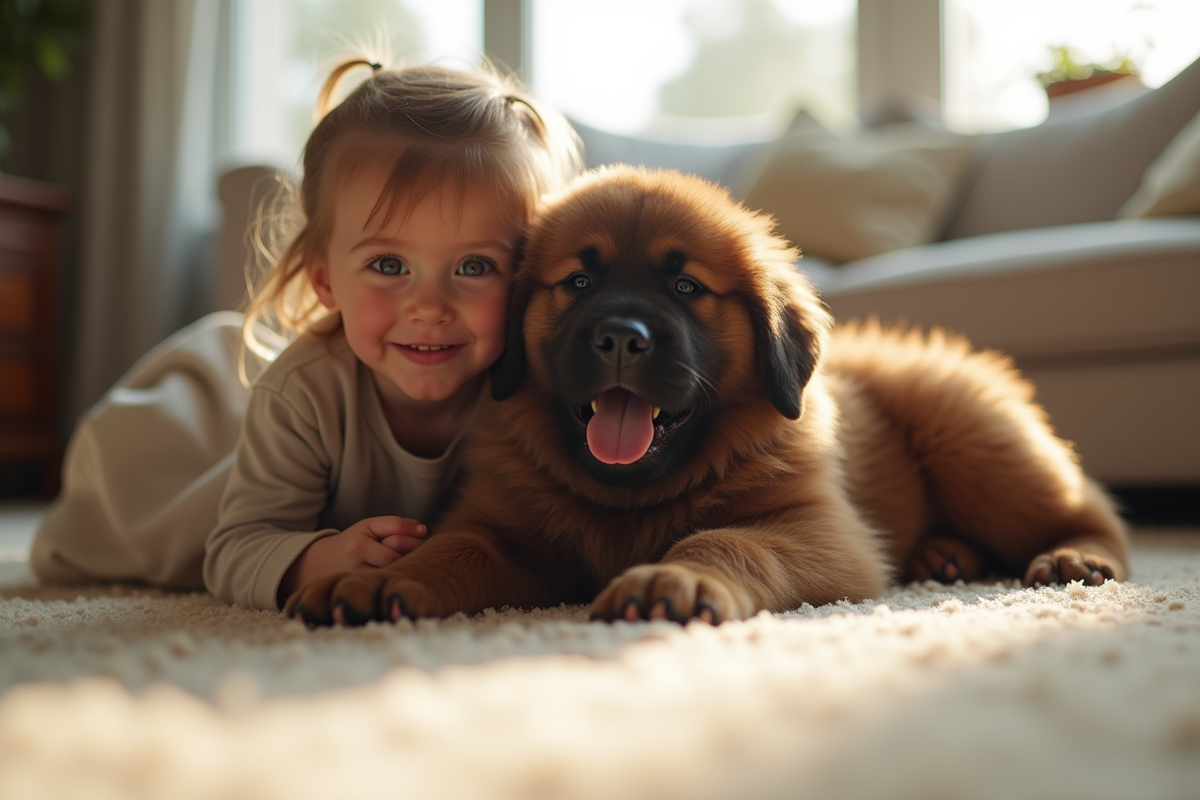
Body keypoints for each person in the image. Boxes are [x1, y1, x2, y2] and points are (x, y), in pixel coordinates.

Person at [30, 59, 582, 612]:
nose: (430, 308)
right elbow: (233, 549)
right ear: (324, 280)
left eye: (474, 267)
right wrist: (319, 559)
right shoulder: (304, 391)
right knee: (139, 526)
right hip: (206, 480)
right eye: (389, 265)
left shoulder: (530, 387)